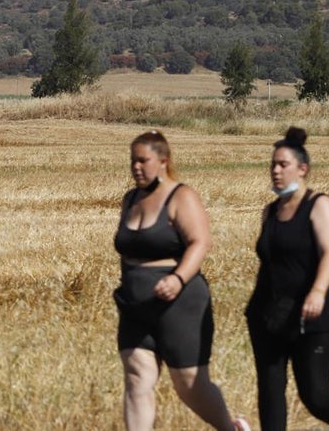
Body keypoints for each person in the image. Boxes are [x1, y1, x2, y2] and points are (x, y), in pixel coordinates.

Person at [114, 129, 250, 431]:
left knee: (189, 383)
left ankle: (231, 429)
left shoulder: (181, 196)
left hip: (180, 302)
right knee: (137, 378)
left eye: (143, 160)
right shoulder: (130, 200)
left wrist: (177, 278)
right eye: (132, 161)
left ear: (163, 160)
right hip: (136, 305)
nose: (136, 167)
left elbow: (200, 242)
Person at [244, 127, 329, 431]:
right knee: (271, 392)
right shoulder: (269, 212)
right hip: (270, 317)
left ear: (303, 169)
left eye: (282, 165)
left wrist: (317, 291)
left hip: (315, 318)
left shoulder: (318, 205)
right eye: (273, 164)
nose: (275, 170)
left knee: (315, 395)